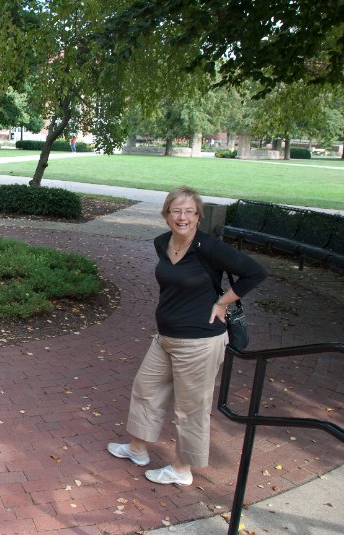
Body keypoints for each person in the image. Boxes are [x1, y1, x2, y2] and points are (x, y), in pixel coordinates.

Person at [107, 186, 267, 485]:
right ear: (166, 214)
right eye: (176, 211)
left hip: (200, 342)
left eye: (189, 212)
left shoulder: (209, 247)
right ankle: (137, 449)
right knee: (146, 390)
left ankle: (181, 470)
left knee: (190, 409)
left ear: (198, 216)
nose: (183, 217)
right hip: (165, 337)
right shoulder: (162, 243)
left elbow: (255, 272)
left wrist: (222, 302)